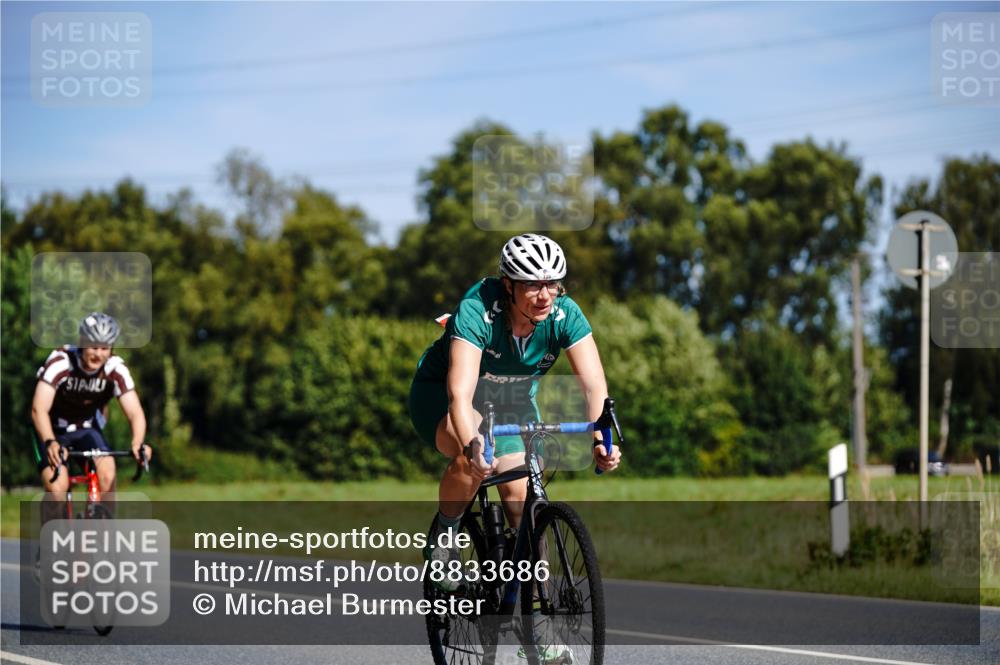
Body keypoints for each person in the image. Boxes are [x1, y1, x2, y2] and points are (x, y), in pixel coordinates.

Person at [409, 233, 622, 569]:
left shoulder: (564, 315)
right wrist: (472, 446)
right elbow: (459, 395)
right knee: (475, 453)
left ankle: (533, 600)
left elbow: (594, 386)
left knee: (520, 498)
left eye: (552, 284)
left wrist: (601, 439)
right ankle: (444, 539)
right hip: (442, 397)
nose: (544, 296)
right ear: (508, 285)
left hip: (509, 403)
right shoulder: (478, 309)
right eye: (532, 285)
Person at [33, 312, 151, 514]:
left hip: (86, 429)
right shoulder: (61, 362)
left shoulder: (115, 369)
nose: (98, 354)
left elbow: (135, 413)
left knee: (107, 474)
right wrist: (50, 442)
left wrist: (138, 442)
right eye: (93, 347)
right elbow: (39, 409)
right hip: (51, 431)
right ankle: (51, 539)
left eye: (105, 348)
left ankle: (102, 536)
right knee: (57, 487)